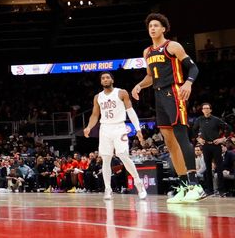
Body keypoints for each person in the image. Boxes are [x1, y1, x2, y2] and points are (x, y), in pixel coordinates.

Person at [132, 13, 204, 202]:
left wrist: (188, 84)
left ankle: (195, 184)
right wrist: (139, 85)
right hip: (158, 95)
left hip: (174, 92)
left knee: (181, 137)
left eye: (156, 25)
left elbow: (194, 68)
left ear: (164, 28)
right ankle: (183, 186)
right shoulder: (147, 52)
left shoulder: (172, 46)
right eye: (150, 26)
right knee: (170, 143)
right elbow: (150, 76)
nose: (152, 28)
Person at [83, 72, 147, 200]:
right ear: (101, 82)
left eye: (107, 77)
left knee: (123, 155)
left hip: (119, 127)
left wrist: (138, 129)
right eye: (103, 78)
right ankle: (108, 188)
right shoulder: (98, 97)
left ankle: (138, 183)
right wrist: (89, 127)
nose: (105, 79)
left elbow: (130, 111)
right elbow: (95, 115)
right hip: (105, 128)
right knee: (106, 159)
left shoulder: (121, 93)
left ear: (112, 80)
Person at [192, 103, 232, 196]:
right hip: (205, 146)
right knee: (208, 168)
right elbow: (193, 130)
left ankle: (221, 190)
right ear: (202, 110)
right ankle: (210, 190)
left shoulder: (216, 120)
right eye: (204, 108)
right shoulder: (199, 120)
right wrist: (198, 139)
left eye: (207, 108)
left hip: (216, 145)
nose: (206, 110)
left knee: (219, 167)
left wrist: (223, 139)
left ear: (210, 110)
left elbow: (229, 128)